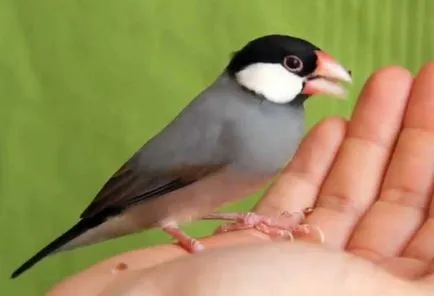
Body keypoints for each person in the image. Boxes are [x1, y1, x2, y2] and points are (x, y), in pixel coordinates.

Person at [47, 62, 434, 296]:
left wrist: (245, 221)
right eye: (296, 65)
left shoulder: (277, 122)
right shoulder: (230, 121)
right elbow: (170, 186)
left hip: (181, 205)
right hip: (138, 200)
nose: (319, 74)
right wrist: (201, 260)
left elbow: (200, 200)